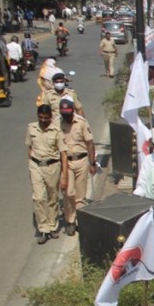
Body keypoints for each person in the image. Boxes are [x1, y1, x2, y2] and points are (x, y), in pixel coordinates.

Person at [27, 104, 68, 244]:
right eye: (40, 117)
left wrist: (64, 175)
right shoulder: (31, 128)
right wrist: (31, 165)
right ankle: (43, 228)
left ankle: (52, 226)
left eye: (46, 118)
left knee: (53, 197)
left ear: (50, 117)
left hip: (52, 166)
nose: (43, 120)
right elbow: (30, 148)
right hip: (36, 165)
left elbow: (63, 154)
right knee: (38, 198)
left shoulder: (57, 131)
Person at [57, 98, 96, 236]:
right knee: (68, 193)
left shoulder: (81, 122)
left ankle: (80, 221)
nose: (66, 116)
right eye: (64, 114)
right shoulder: (57, 123)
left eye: (68, 113)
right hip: (66, 162)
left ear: (72, 111)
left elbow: (90, 143)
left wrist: (92, 162)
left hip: (82, 160)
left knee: (80, 195)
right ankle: (70, 221)